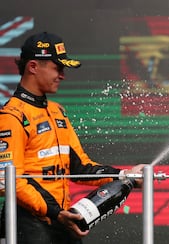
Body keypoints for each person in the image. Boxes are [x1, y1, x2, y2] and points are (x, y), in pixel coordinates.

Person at [0, 32, 145, 244]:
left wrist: (125, 175)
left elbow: (80, 167)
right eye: (57, 67)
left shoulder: (58, 111)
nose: (62, 75)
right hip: (26, 224)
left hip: (61, 219)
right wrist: (55, 212)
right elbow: (9, 180)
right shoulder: (12, 115)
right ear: (33, 66)